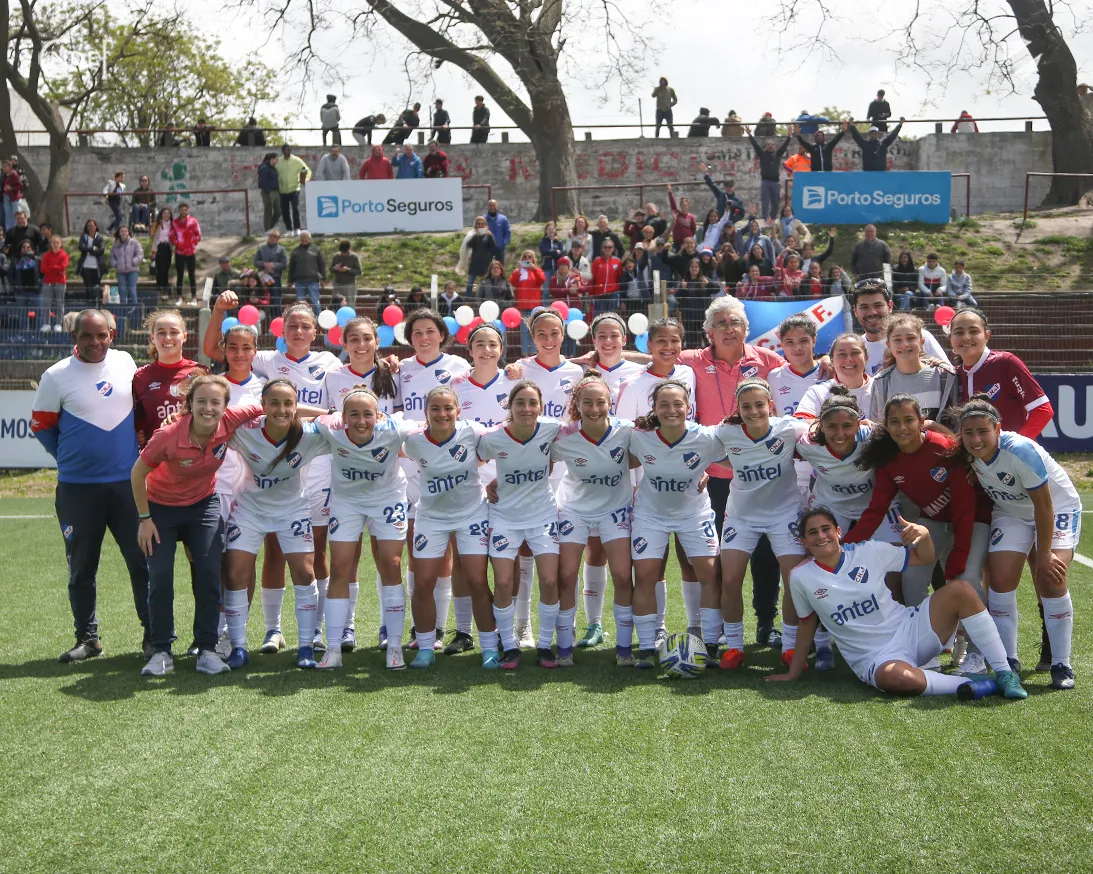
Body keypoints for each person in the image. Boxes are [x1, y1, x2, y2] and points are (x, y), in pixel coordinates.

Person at [769, 507, 1026, 700]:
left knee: (962, 590)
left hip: (911, 628)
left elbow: (923, 557)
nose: (821, 536)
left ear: (838, 532)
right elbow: (807, 624)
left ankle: (1005, 673)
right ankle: (981, 683)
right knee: (898, 678)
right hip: (875, 658)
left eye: (826, 529)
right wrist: (793, 673)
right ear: (804, 542)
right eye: (812, 532)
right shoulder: (801, 577)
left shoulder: (869, 551)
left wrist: (924, 536)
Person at [31, 310, 150, 662]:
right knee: (82, 566)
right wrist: (70, 458)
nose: (95, 342)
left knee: (142, 562)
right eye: (87, 336)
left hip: (129, 486)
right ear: (74, 338)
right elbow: (41, 426)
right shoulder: (55, 376)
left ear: (112, 335)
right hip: (78, 489)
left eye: (102, 335)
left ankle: (154, 635)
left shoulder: (126, 362)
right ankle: (88, 638)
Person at [131, 376, 264, 677]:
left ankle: (206, 649)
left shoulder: (230, 420)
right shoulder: (168, 435)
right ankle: (161, 651)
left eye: (215, 402)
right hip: (160, 508)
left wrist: (333, 414)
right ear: (189, 403)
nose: (208, 408)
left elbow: (274, 407)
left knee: (208, 573)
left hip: (203, 505)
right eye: (201, 401)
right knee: (160, 576)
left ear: (225, 406)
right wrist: (144, 520)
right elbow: (137, 475)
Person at [956, 397, 1080, 690]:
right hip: (1010, 512)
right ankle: (1008, 661)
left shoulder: (1020, 451)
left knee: (1050, 577)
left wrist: (1044, 553)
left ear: (998, 429)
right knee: (1000, 579)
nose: (976, 439)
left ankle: (1061, 663)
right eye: (968, 433)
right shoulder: (963, 452)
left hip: (1056, 508)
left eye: (983, 431)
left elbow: (1044, 506)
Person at [850, 394, 989, 619]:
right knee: (912, 578)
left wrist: (960, 552)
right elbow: (876, 511)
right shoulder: (888, 459)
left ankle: (975, 638)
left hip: (973, 519)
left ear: (922, 422)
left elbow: (964, 507)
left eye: (909, 420)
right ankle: (925, 634)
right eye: (895, 422)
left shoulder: (943, 447)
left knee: (966, 576)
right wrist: (845, 546)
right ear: (887, 425)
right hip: (934, 521)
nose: (902, 428)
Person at [222, 379, 329, 669]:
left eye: (287, 403)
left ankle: (306, 647)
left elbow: (345, 429)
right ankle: (238, 647)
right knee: (235, 574)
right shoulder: (245, 430)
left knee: (304, 573)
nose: (281, 409)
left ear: (296, 407)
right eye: (274, 403)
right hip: (249, 510)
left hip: (292, 510)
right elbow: (211, 422)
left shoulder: (309, 434)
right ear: (263, 406)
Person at [311, 387, 412, 670]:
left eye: (367, 414)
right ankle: (333, 650)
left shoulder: (395, 430)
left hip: (388, 498)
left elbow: (425, 425)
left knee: (391, 564)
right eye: (353, 414)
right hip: (347, 502)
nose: (360, 421)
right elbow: (309, 418)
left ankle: (394, 647)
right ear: (343, 417)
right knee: (340, 567)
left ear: (378, 416)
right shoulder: (331, 428)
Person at [715, 377, 812, 668]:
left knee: (794, 580)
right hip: (741, 517)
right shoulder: (726, 431)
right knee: (730, 580)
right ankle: (734, 647)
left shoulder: (789, 428)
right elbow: (707, 449)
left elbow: (821, 429)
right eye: (746, 406)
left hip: (785, 515)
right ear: (738, 409)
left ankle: (790, 647)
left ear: (771, 405)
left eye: (759, 405)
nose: (753, 411)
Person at [627, 380, 723, 668]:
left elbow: (737, 459)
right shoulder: (639, 437)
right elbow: (620, 459)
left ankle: (710, 644)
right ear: (654, 408)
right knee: (645, 574)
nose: (672, 410)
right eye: (664, 404)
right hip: (650, 514)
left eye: (678, 404)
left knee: (709, 573)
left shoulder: (706, 438)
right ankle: (647, 647)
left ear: (688, 407)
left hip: (694, 514)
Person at [548, 371, 637, 663]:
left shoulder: (627, 431)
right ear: (577, 404)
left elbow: (657, 452)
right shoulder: (563, 435)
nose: (595, 408)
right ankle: (564, 647)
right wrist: (498, 481)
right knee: (565, 574)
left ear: (610, 403)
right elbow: (535, 459)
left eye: (601, 402)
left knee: (623, 575)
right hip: (574, 510)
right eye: (587, 402)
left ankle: (624, 649)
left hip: (615, 509)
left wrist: (698, 472)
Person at [478, 382, 566, 669]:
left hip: (542, 515)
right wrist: (487, 486)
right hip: (504, 517)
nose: (526, 409)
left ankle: (545, 646)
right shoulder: (493, 438)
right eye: (520, 403)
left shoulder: (552, 429)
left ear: (541, 406)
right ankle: (509, 646)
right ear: (510, 406)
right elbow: (470, 463)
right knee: (503, 582)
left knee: (550, 581)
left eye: (532, 403)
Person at [949, 308, 1052, 436]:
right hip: (973, 448)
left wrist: (1015, 444)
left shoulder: (1006, 363)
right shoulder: (952, 375)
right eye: (959, 332)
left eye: (974, 331)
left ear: (987, 335)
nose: (966, 337)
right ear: (950, 339)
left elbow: (1042, 410)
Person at [869, 313, 959, 424]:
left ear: (922, 342)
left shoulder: (945, 376)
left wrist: (931, 428)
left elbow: (956, 423)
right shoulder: (881, 382)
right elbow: (877, 425)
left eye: (911, 338)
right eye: (897, 340)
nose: (905, 344)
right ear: (889, 345)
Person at [851, 279, 947, 374]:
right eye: (864, 307)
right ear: (855, 311)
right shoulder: (854, 349)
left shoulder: (916, 336)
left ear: (890, 306)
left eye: (878, 305)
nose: (872, 312)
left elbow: (948, 374)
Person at [745, 127, 794, 222]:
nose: (770, 146)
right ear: (766, 146)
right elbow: (755, 145)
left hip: (775, 182)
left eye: (772, 144)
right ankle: (765, 219)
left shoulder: (778, 154)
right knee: (765, 202)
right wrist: (749, 135)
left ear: (775, 146)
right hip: (765, 182)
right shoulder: (762, 154)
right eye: (768, 144)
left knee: (775, 202)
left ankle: (772, 218)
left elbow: (784, 146)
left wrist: (789, 136)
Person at [169, 203, 201, 306]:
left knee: (192, 275)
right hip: (179, 252)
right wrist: (177, 243)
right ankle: (179, 297)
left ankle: (194, 297)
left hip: (190, 252)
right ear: (179, 211)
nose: (183, 211)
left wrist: (192, 244)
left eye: (185, 209)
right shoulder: (175, 222)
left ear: (188, 210)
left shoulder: (193, 221)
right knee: (180, 275)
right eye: (181, 210)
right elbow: (171, 235)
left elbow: (198, 235)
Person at [457, 215, 497, 296]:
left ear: (485, 224)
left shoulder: (488, 234)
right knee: (470, 282)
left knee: (485, 283)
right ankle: (467, 299)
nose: (480, 225)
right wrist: (476, 236)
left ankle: (484, 298)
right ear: (476, 225)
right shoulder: (472, 234)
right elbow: (469, 245)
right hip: (474, 262)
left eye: (482, 224)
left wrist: (490, 236)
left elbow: (493, 246)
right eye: (478, 224)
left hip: (485, 263)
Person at [509, 251, 547, 337]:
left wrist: (534, 269)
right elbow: (513, 282)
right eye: (525, 257)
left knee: (534, 330)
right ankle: (525, 347)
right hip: (522, 304)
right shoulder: (518, 271)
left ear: (533, 259)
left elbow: (542, 280)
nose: (527, 259)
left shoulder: (537, 270)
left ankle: (534, 347)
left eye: (529, 257)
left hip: (534, 305)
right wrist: (518, 271)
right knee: (524, 331)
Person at [287, 230, 325, 314]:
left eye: (305, 237)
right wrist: (290, 281)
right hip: (299, 281)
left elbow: (321, 265)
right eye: (302, 237)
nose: (304, 239)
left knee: (315, 303)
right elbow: (292, 267)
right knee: (300, 304)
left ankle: (318, 319)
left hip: (313, 281)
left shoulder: (316, 249)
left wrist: (323, 279)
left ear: (309, 238)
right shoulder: (295, 251)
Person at [276, 144, 310, 237]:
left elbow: (307, 170)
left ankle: (297, 228)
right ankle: (289, 230)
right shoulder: (278, 161)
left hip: (294, 189)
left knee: (295, 209)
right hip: (282, 190)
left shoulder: (296, 160)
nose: (286, 151)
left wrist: (305, 180)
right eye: (284, 150)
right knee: (285, 211)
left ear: (290, 150)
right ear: (282, 151)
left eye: (288, 150)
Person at [38, 232, 68, 332]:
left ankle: (58, 324)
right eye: (53, 242)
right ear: (50, 244)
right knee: (46, 303)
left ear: (61, 244)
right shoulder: (46, 256)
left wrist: (51, 268)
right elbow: (43, 269)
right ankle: (46, 323)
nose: (55, 244)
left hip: (60, 282)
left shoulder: (64, 255)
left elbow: (63, 267)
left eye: (57, 242)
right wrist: (56, 269)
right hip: (48, 282)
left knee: (60, 303)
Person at [110, 225, 143, 305]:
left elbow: (140, 254)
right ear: (119, 233)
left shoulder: (134, 242)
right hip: (120, 271)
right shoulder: (115, 245)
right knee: (122, 291)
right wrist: (115, 264)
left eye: (126, 231)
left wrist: (134, 262)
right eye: (122, 231)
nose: (124, 233)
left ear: (128, 233)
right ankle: (124, 309)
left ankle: (134, 309)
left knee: (132, 290)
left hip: (133, 270)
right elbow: (112, 256)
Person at [253, 229, 288, 307]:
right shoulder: (261, 249)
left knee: (276, 300)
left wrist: (273, 266)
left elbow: (284, 264)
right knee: (262, 299)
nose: (272, 238)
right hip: (262, 278)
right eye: (271, 236)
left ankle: (276, 314)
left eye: (275, 237)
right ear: (268, 237)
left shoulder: (281, 249)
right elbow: (255, 262)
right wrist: (264, 264)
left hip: (276, 278)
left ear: (278, 238)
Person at [588, 238, 623, 316]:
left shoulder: (617, 261)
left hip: (612, 294)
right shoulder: (597, 261)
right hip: (599, 294)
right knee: (600, 316)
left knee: (611, 316)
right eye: (605, 247)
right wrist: (591, 293)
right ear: (602, 249)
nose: (607, 249)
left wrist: (616, 290)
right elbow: (593, 278)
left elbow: (619, 278)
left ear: (613, 249)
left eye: (610, 247)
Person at [75, 219, 106, 305]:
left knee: (96, 287)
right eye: (89, 226)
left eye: (92, 226)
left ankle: (96, 304)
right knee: (88, 287)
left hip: (97, 267)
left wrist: (89, 252)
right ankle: (88, 304)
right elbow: (81, 248)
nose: (90, 228)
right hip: (86, 267)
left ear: (96, 227)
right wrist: (93, 248)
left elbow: (101, 251)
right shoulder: (83, 237)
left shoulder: (100, 238)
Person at [150, 208, 174, 298]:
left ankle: (165, 286)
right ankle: (159, 286)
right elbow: (153, 238)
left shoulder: (172, 224)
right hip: (160, 247)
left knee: (166, 267)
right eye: (164, 213)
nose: (166, 215)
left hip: (168, 247)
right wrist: (153, 251)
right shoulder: (157, 224)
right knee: (160, 268)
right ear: (161, 214)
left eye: (168, 213)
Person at [330, 239, 361, 306]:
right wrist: (335, 268)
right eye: (341, 252)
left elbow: (359, 271)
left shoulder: (354, 257)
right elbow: (331, 269)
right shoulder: (336, 256)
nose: (343, 253)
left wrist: (348, 270)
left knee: (350, 303)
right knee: (335, 304)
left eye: (345, 252)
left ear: (349, 249)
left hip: (349, 285)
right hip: (337, 284)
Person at [665, 186, 697, 251]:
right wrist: (670, 192)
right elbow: (673, 204)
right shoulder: (677, 213)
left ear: (688, 206)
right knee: (677, 254)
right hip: (677, 242)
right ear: (680, 206)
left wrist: (688, 237)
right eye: (683, 205)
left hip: (687, 242)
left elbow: (693, 229)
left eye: (686, 205)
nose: (684, 207)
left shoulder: (691, 217)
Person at [256, 152, 281, 232]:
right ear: (271, 159)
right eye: (276, 159)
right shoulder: (264, 168)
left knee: (278, 211)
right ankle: (267, 230)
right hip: (268, 192)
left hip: (276, 191)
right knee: (268, 211)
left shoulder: (273, 168)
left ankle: (270, 227)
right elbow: (261, 181)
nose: (277, 161)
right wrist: (267, 191)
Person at [539, 221, 565, 290]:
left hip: (557, 269)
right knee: (546, 291)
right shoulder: (542, 242)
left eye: (552, 229)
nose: (551, 231)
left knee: (557, 290)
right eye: (549, 229)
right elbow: (544, 252)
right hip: (546, 269)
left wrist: (550, 254)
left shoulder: (559, 242)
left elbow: (561, 254)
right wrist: (556, 251)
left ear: (555, 230)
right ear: (546, 231)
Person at [486, 199, 511, 263]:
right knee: (486, 267)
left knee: (500, 267)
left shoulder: (503, 219)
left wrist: (503, 243)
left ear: (497, 206)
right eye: (490, 205)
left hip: (499, 249)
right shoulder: (483, 219)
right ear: (488, 207)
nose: (492, 207)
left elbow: (507, 232)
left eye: (494, 205)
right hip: (487, 249)